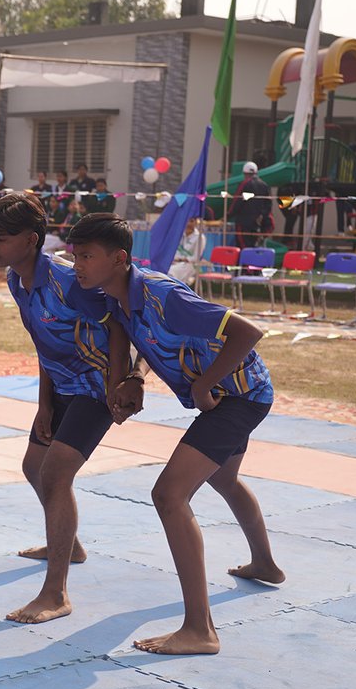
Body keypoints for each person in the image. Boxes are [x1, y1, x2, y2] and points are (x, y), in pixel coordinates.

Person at [67, 213, 285, 655]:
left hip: (239, 397)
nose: (78, 266)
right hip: (233, 396)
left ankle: (201, 630)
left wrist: (204, 386)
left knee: (168, 495)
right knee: (224, 478)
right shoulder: (118, 299)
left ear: (119, 258)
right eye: (75, 257)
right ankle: (265, 564)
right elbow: (147, 343)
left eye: (87, 256)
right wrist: (135, 377)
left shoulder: (162, 294)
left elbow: (248, 332)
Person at [0, 192, 119, 623]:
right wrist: (43, 403)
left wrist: (126, 381)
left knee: (56, 474)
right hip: (59, 387)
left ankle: (56, 594)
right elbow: (43, 343)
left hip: (95, 387)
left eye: (1, 238)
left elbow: (122, 322)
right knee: (33, 466)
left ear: (31, 239)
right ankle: (68, 544)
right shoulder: (15, 280)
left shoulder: (69, 281)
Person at [230, 162, 272, 250]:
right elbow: (268, 204)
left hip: (243, 222)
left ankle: (244, 259)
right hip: (256, 223)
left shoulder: (244, 184)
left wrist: (229, 214)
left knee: (242, 247)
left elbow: (237, 201)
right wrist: (262, 217)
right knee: (253, 247)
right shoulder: (264, 185)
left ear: (245, 173)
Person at [169, 216, 207, 286]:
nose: (188, 224)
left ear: (196, 222)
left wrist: (181, 259)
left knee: (171, 273)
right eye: (187, 221)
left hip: (190, 265)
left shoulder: (200, 237)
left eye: (191, 221)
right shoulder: (179, 235)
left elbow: (196, 257)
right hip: (176, 262)